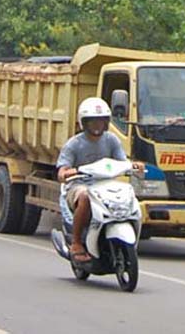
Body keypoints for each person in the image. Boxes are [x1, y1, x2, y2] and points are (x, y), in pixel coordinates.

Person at [56, 97, 144, 264]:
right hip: (79, 186)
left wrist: (134, 166)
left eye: (101, 121)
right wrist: (67, 173)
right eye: (92, 122)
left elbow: (121, 161)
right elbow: (62, 170)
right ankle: (76, 243)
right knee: (84, 197)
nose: (97, 125)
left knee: (128, 195)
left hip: (105, 186)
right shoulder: (74, 144)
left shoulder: (111, 140)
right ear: (84, 123)